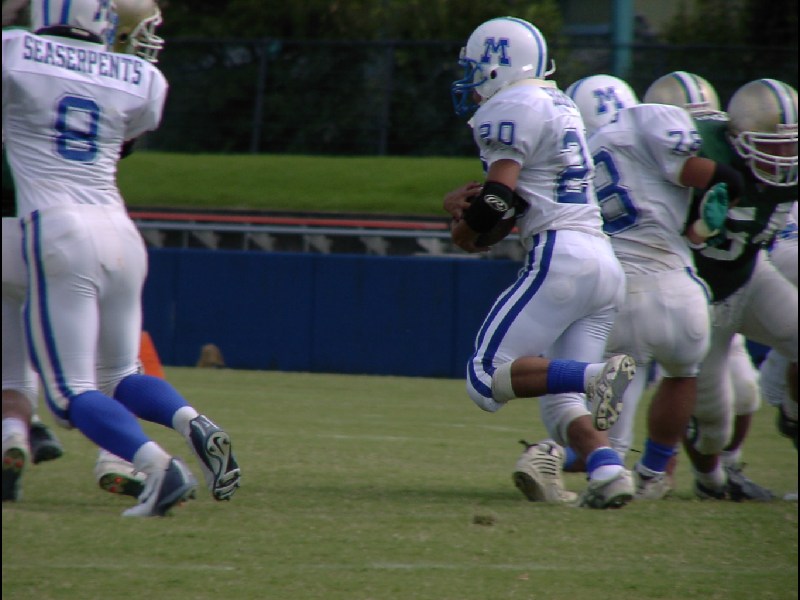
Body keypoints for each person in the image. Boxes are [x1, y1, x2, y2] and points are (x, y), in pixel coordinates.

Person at [2, 0, 241, 516]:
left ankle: (158, 468)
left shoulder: (14, 50)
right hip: (121, 232)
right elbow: (128, 125)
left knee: (69, 395)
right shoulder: (142, 77)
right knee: (119, 375)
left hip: (57, 229)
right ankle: (193, 423)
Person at [446, 17, 637, 509]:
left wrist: (462, 227)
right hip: (603, 262)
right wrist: (476, 218)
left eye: (475, 68)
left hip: (562, 256)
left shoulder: (509, 106)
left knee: (485, 376)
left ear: (497, 65)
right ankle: (609, 472)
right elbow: (513, 205)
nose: (470, 81)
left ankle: (597, 376)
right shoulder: (559, 103)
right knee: (559, 395)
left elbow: (496, 200)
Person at [564, 73, 742, 501]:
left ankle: (608, 466)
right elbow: (726, 181)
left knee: (608, 380)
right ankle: (654, 471)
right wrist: (701, 228)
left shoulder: (572, 156)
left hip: (615, 293)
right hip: (678, 287)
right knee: (682, 375)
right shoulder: (649, 125)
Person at [644, 73, 796, 500]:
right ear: (738, 139)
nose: (784, 158)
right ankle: (711, 479)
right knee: (714, 424)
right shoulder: (699, 153)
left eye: (790, 147)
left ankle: (792, 415)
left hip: (750, 277)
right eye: (773, 147)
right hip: (699, 298)